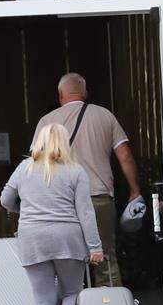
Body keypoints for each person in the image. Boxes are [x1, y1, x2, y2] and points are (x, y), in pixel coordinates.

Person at [0, 123, 104, 305]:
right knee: (70, 291)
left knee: (43, 300)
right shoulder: (76, 172)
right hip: (68, 237)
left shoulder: (24, 168)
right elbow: (85, 213)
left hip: (33, 238)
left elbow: (5, 199)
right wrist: (95, 247)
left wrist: (24, 211)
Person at [33, 73, 141, 289]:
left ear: (60, 95)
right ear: (85, 93)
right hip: (98, 199)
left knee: (64, 261)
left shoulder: (47, 122)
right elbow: (125, 155)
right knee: (105, 258)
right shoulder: (105, 116)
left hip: (61, 203)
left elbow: (36, 165)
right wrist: (135, 190)